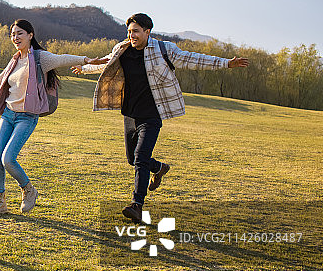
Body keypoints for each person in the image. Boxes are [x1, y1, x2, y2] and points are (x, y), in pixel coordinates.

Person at [72, 13, 249, 222]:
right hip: (130, 114)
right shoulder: (122, 49)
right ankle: (159, 167)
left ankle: (137, 205)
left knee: (140, 157)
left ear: (148, 31)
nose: (132, 35)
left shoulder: (164, 50)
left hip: (152, 115)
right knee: (134, 159)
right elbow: (108, 63)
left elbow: (193, 59)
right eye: (129, 31)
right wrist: (85, 69)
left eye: (136, 31)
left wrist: (226, 63)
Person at [0, 19, 107, 215]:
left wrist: (86, 60)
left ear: (30, 35)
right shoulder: (14, 61)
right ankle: (0, 203)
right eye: (13, 34)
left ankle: (29, 190)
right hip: (8, 114)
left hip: (27, 118)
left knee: (8, 158)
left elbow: (62, 58)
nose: (15, 37)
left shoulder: (40, 58)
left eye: (20, 33)